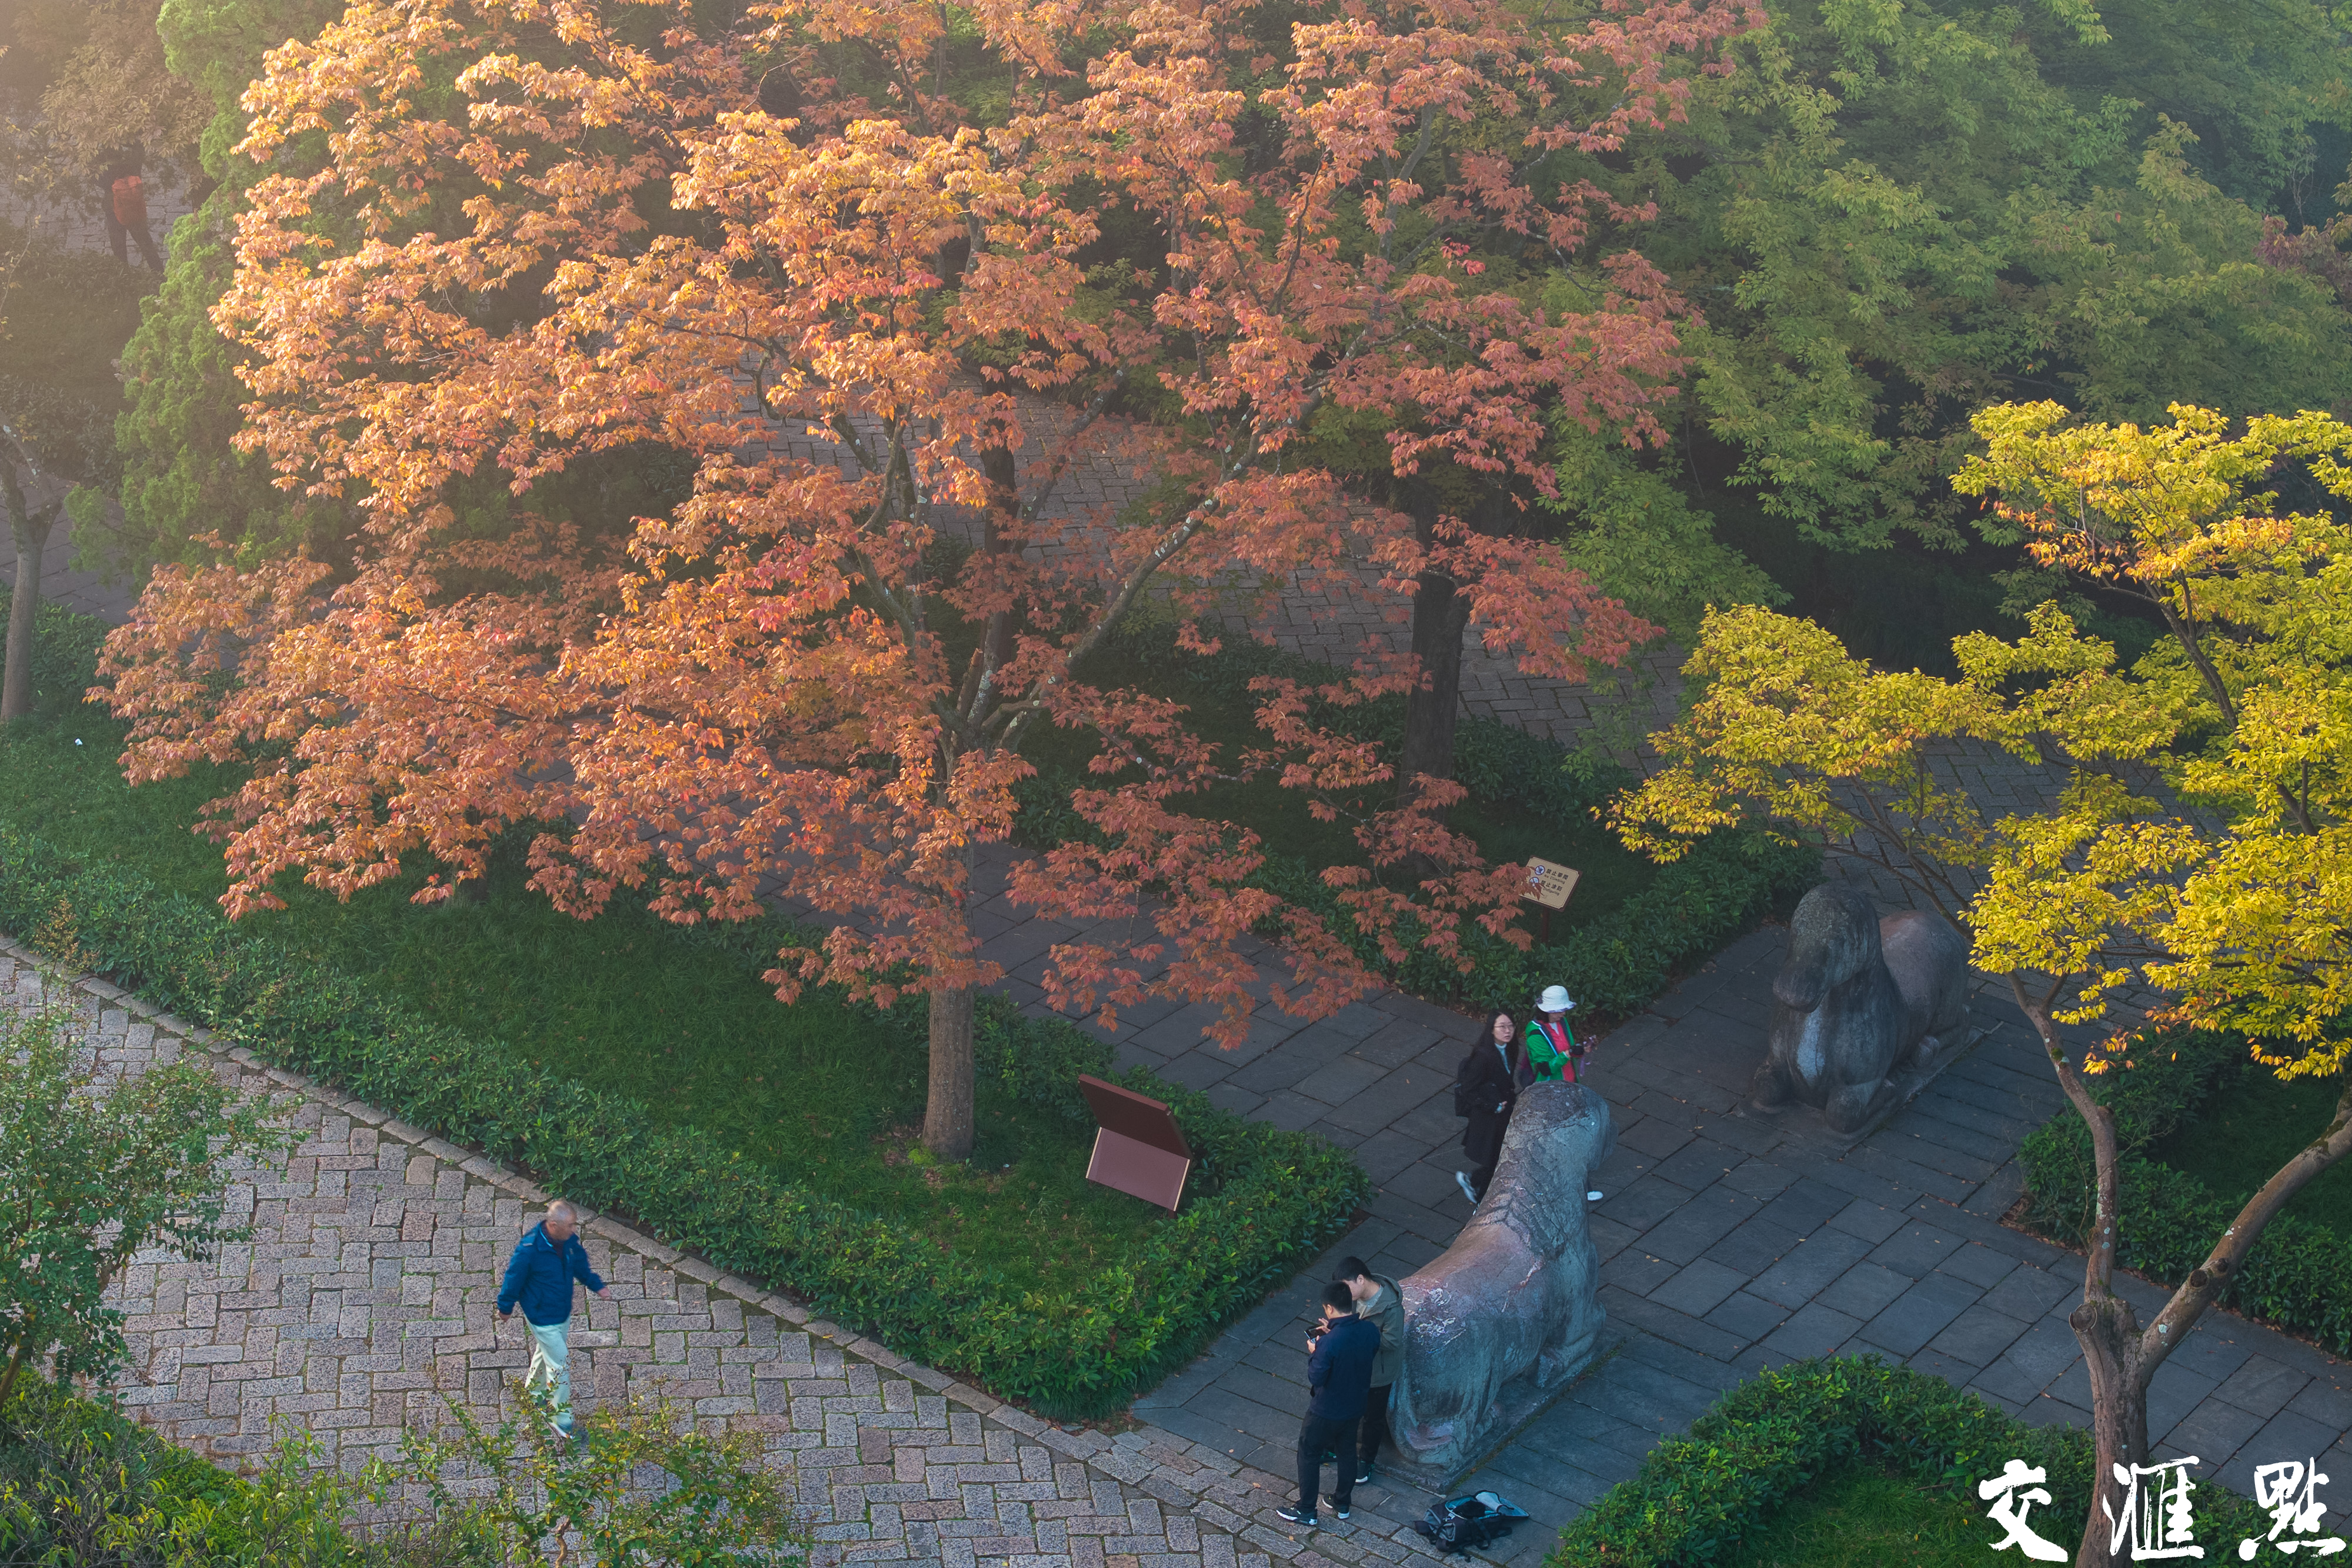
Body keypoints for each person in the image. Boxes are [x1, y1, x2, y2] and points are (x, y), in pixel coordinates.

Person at [495, 1199, 609, 1442]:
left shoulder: (568, 1242)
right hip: (541, 1317)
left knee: (545, 1352)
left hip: (561, 1313)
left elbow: (580, 1265)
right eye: (570, 1225)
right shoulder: (529, 1249)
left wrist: (597, 1285)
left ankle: (532, 1393)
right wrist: (505, 1307)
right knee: (560, 1364)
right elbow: (513, 1277)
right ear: (554, 1224)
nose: (574, 1230)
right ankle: (562, 1421)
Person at [1278, 1282, 1379, 1530]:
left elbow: (1317, 1377)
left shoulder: (1328, 1344)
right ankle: (1342, 1503)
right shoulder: (1370, 1331)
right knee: (1346, 1452)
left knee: (1308, 1452)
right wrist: (1330, 1331)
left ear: (1329, 1308)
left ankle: (1307, 1510)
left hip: (1326, 1410)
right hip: (1356, 1406)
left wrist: (1315, 1350)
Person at [1335, 1256, 1404, 1484]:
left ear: (1361, 1279)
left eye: (1347, 1287)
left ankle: (1367, 1461)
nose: (1345, 1294)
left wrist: (1360, 1335)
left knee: (1374, 1418)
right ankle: (1337, 1446)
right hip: (1359, 1365)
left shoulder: (1391, 1308)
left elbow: (1392, 1343)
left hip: (1379, 1374)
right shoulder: (1359, 1297)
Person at [1455, 1008, 1531, 1205]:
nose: (1507, 1031)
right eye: (1502, 1027)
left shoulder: (1510, 1048)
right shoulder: (1483, 1057)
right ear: (1491, 1029)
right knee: (1496, 1158)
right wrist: (1493, 1106)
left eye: (1510, 1026)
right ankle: (1480, 1199)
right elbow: (1468, 1090)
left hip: (1502, 1113)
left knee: (1497, 1158)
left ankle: (1474, 1182)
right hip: (1489, 1116)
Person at [96, 146, 162, 272]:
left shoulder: (102, 158)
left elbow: (96, 179)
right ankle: (160, 275)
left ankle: (125, 279)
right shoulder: (131, 152)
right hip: (134, 204)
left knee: (119, 247)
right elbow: (140, 152)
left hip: (113, 207)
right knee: (146, 244)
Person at [1525, 984, 1587, 1084]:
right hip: (1551, 1090)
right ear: (1547, 1011)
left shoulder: (1562, 1021)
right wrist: (1568, 1054)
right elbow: (1545, 1070)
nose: (1564, 1013)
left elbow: (1567, 1048)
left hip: (1570, 1083)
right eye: (1560, 1010)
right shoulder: (1536, 1034)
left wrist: (1581, 1049)